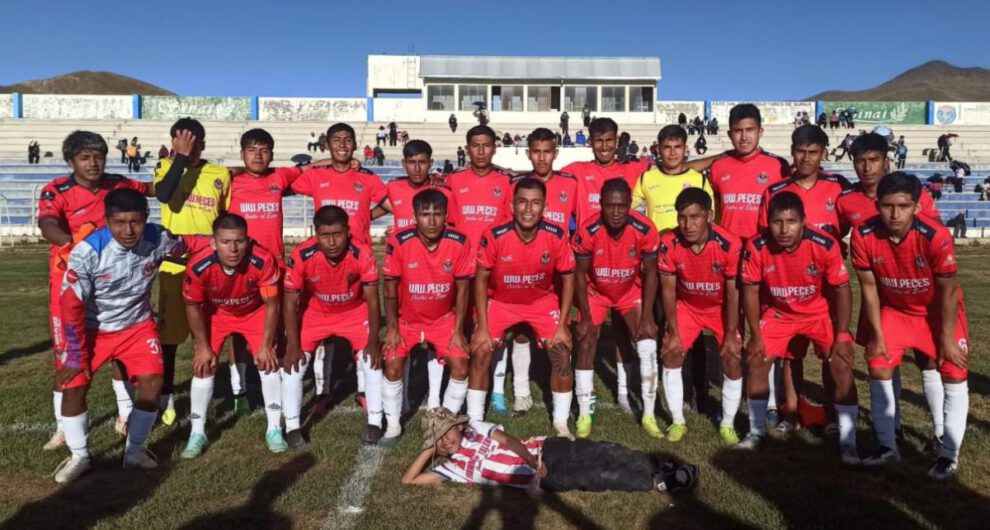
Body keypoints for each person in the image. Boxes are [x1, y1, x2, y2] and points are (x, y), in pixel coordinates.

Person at [53, 189, 188, 483]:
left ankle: (134, 451)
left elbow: (189, 245)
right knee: (74, 387)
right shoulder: (88, 252)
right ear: (106, 221)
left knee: (153, 382)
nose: (128, 231)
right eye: (119, 223)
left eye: (136, 222)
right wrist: (76, 355)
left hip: (137, 327)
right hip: (92, 330)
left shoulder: (159, 237)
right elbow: (70, 305)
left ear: (146, 219)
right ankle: (79, 456)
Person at [37, 131, 154, 451]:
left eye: (98, 156)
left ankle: (125, 413)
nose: (93, 163)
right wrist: (72, 246)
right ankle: (63, 428)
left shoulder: (118, 184)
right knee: (67, 356)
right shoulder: (56, 190)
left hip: (115, 282)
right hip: (70, 284)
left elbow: (155, 189)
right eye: (85, 157)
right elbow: (47, 224)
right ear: (71, 161)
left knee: (123, 347)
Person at [851, 173, 970, 479]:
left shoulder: (936, 235)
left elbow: (948, 292)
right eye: (888, 206)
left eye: (903, 206)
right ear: (877, 205)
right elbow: (870, 289)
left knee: (954, 371)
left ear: (916, 207)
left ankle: (948, 453)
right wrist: (876, 335)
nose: (894, 214)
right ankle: (887, 446)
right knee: (878, 363)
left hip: (936, 314)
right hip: (896, 311)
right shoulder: (863, 234)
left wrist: (945, 338)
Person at [739, 191, 860, 465]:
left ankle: (849, 440)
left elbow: (842, 290)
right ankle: (756, 432)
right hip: (780, 313)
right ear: (767, 223)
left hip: (817, 311)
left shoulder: (824, 244)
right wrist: (755, 336)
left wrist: (842, 335)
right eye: (777, 222)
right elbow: (750, 291)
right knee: (756, 358)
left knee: (840, 362)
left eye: (791, 221)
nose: (784, 229)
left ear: (804, 222)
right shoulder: (757, 246)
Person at [468, 178, 576, 437]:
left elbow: (570, 278)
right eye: (522, 202)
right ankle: (473, 421)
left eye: (536, 203)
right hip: (502, 302)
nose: (529, 209)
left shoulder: (557, 234)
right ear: (512, 205)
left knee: (561, 352)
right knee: (481, 348)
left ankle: (561, 424)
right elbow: (480, 281)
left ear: (545, 206)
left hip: (541, 301)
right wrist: (482, 326)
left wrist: (562, 325)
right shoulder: (494, 235)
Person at [563, 118, 653, 411]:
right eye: (598, 141)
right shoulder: (577, 171)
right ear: (589, 141)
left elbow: (675, 167)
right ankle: (583, 398)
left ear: (618, 141)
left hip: (625, 269)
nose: (604, 146)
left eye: (609, 140)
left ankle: (625, 394)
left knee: (626, 334)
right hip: (591, 271)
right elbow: (542, 175)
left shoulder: (635, 169)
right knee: (587, 335)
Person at [487, 129, 579, 416]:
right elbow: (507, 225)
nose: (542, 157)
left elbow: (580, 221)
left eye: (547, 151)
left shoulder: (570, 184)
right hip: (523, 265)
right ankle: (520, 392)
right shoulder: (518, 185)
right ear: (528, 153)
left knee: (561, 335)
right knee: (520, 332)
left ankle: (565, 395)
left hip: (557, 267)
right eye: (536, 151)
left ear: (555, 153)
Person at [180, 214, 285, 457]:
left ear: (247, 240)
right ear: (214, 243)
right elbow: (193, 307)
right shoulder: (198, 265)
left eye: (239, 241)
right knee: (204, 365)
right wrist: (202, 346)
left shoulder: (263, 259)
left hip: (254, 312)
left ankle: (274, 428)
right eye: (226, 242)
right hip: (216, 314)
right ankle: (197, 433)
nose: (234, 248)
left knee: (268, 363)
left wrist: (267, 345)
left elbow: (272, 304)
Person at [401, 407, 700, 493]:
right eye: (438, 439)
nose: (445, 441)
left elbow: (507, 441)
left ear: (458, 425)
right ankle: (657, 482)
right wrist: (431, 449)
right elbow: (409, 481)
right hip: (542, 479)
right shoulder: (450, 469)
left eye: (446, 432)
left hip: (543, 449)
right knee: (596, 476)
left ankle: (654, 465)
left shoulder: (476, 428)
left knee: (602, 450)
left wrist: (532, 460)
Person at [283, 206, 385, 444]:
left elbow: (372, 299)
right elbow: (290, 303)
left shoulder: (363, 253)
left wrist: (373, 342)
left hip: (353, 312)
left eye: (337, 234)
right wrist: (293, 344)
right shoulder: (301, 254)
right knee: (293, 367)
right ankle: (292, 427)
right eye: (325, 235)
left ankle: (376, 422)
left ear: (348, 232)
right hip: (316, 313)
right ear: (315, 233)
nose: (331, 242)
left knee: (372, 362)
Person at [153, 118, 232, 425]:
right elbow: (163, 196)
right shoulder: (165, 167)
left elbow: (223, 217)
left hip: (210, 266)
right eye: (180, 140)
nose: (187, 145)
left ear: (204, 142)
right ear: (174, 143)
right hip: (174, 267)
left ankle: (209, 397)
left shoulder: (220, 173)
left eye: (193, 141)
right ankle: (166, 396)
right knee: (170, 338)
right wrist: (180, 158)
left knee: (209, 335)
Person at [381, 191, 474, 443]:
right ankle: (392, 426)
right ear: (414, 217)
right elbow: (389, 289)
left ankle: (446, 420)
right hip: (408, 321)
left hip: (443, 320)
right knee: (391, 361)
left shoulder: (459, 241)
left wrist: (458, 330)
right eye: (425, 214)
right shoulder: (399, 241)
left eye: (437, 214)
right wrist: (392, 328)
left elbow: (463, 290)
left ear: (446, 217)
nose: (431, 221)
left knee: (461, 362)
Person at [572, 179, 659, 439]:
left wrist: (646, 317)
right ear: (601, 205)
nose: (617, 212)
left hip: (628, 291)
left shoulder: (644, 228)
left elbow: (652, 273)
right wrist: (585, 316)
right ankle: (585, 414)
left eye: (622, 205)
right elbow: (579, 274)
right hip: (595, 292)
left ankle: (649, 414)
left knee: (647, 342)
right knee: (587, 340)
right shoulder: (589, 229)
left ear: (630, 204)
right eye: (610, 206)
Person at [658, 189, 743, 445]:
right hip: (689, 307)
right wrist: (672, 330)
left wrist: (730, 334)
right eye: (682, 217)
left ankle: (727, 424)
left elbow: (732, 295)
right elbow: (669, 291)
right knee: (671, 351)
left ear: (709, 215)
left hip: (720, 308)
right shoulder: (669, 243)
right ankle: (677, 421)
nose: (688, 224)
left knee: (731, 356)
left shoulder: (730, 244)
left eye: (695, 217)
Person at [290, 123, 386, 249]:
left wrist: (364, 217)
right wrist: (330, 161)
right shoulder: (315, 175)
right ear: (327, 146)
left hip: (359, 254)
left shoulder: (368, 177)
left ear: (355, 145)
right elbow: (281, 181)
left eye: (348, 140)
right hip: (325, 252)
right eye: (336, 140)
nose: (342, 145)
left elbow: (392, 205)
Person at [633, 125, 714, 232]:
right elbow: (630, 212)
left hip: (688, 246)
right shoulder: (646, 178)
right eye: (667, 147)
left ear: (685, 149)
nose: (672, 153)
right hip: (657, 245)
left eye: (677, 147)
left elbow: (709, 219)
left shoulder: (700, 180)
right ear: (658, 150)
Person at [446, 126, 513, 252]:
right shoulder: (453, 181)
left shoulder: (507, 182)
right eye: (475, 146)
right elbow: (449, 223)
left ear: (494, 149)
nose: (481, 152)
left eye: (486, 146)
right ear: (467, 149)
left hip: (495, 258)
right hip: (462, 259)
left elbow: (509, 225)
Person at [376, 139, 457, 233]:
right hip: (400, 247)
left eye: (422, 162)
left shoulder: (445, 193)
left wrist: (408, 230)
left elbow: (453, 228)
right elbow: (375, 210)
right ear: (403, 163)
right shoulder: (392, 187)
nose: (417, 169)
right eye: (411, 162)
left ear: (430, 163)